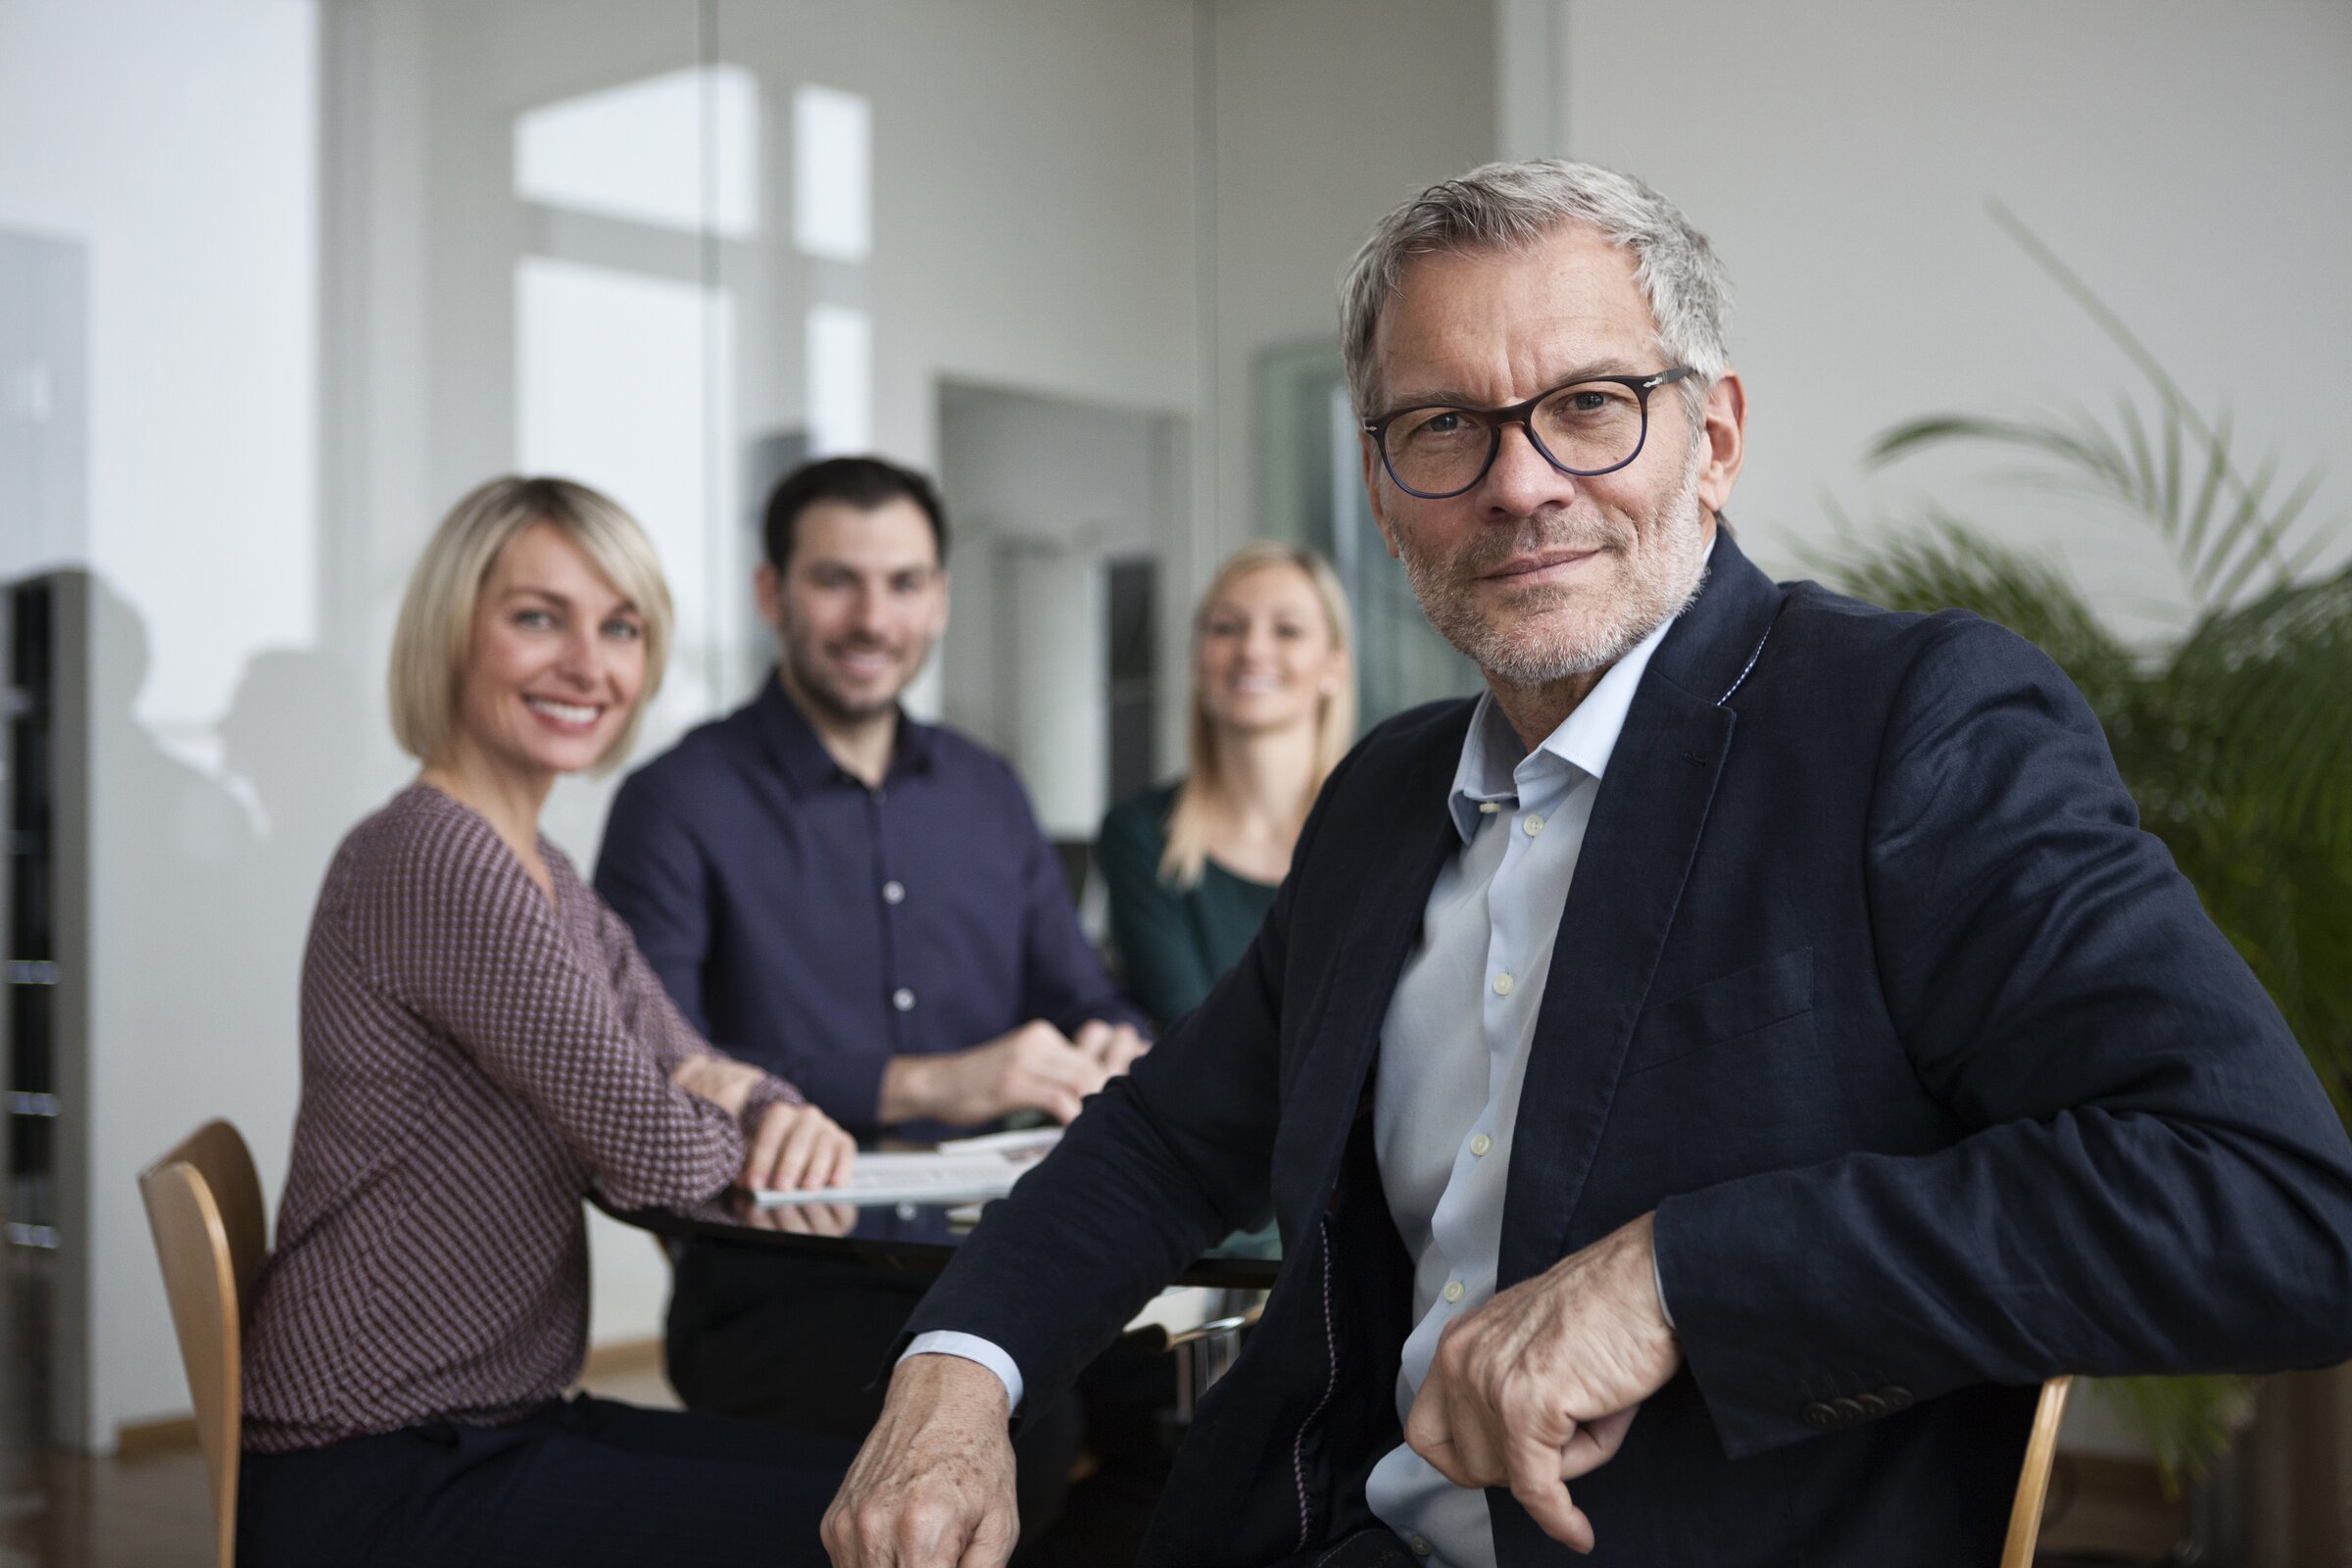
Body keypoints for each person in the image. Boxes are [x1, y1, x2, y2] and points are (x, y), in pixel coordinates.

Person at [822, 161, 2352, 1568]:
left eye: (1593, 404)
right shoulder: (1381, 796)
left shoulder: (1907, 727)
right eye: (1446, 426)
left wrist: (1678, 1279)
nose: (1522, 482)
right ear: (1380, 489)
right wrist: (958, 1374)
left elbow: (2274, 1205)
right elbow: (1161, 1142)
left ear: (1718, 437)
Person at [237, 477, 858, 1567]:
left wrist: (752, 1095)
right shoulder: (438, 857)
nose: (589, 664)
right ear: (453, 632)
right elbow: (656, 1153)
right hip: (380, 1462)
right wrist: (706, 1105)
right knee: (871, 1532)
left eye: (620, 626)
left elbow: (695, 1061)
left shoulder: (547, 875)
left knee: (875, 1493)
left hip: (491, 1417)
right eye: (538, 617)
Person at [592, 456, 1150, 1533]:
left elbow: (1085, 993)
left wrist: (1116, 1044)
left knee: (1222, 1427)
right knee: (1001, 1448)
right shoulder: (677, 801)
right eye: (835, 580)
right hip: (781, 1284)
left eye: (902, 583)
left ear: (938, 597)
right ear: (773, 594)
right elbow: (655, 1066)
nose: (871, 616)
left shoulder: (988, 790)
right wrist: (935, 1079)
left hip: (1001, 1256)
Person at [1098, 543, 1354, 1029]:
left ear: (1334, 667)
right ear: (1199, 661)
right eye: (1226, 628)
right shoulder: (1141, 835)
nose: (1252, 650)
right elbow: (1189, 1038)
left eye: (1287, 630)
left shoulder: (1379, 831)